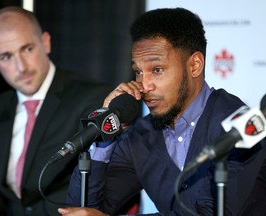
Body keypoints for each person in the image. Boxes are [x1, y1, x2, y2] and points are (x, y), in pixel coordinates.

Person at [58, 8, 266, 216]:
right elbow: (82, 208)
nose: (144, 85)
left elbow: (211, 212)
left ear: (195, 65)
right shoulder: (141, 135)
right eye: (138, 72)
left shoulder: (240, 127)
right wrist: (106, 133)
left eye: (157, 70)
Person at [0, 6, 112, 216]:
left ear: (46, 42)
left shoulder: (93, 99)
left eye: (27, 49)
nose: (21, 67)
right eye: (6, 56)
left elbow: (104, 191)